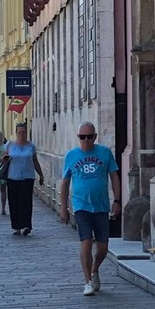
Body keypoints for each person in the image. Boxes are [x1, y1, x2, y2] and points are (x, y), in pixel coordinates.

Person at [59, 121, 121, 296]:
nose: (85, 140)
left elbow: (114, 177)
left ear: (95, 137)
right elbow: (65, 183)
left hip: (101, 205)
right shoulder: (71, 156)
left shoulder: (105, 153)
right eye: (81, 137)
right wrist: (64, 208)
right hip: (81, 205)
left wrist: (117, 200)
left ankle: (95, 270)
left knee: (103, 247)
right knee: (86, 242)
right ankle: (87, 282)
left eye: (89, 137)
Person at [1, 122, 45, 236]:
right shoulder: (10, 145)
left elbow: (35, 161)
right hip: (13, 177)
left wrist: (41, 174)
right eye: (19, 132)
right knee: (14, 202)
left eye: (23, 132)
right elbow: (2, 159)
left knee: (26, 201)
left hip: (27, 177)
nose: (21, 134)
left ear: (26, 132)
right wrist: (4, 158)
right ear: (16, 133)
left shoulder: (31, 146)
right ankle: (16, 227)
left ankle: (26, 225)